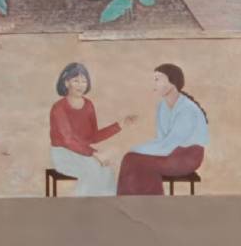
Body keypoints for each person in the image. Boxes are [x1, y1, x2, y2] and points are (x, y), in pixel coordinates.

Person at [117, 64, 208, 195]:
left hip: (187, 156)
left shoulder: (187, 109)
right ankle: (130, 204)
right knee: (130, 158)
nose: (154, 84)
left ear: (172, 82)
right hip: (169, 152)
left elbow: (170, 144)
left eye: (158, 79)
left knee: (135, 159)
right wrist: (137, 151)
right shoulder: (162, 106)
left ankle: (152, 205)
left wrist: (136, 149)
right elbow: (161, 140)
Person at [49, 63, 126, 197]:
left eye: (84, 81)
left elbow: (93, 137)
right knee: (93, 170)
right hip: (64, 154)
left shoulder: (89, 105)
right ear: (66, 83)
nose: (81, 85)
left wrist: (119, 125)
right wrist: (94, 154)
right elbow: (68, 140)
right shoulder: (58, 108)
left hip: (85, 153)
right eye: (76, 81)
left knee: (107, 170)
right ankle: (82, 211)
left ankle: (106, 208)